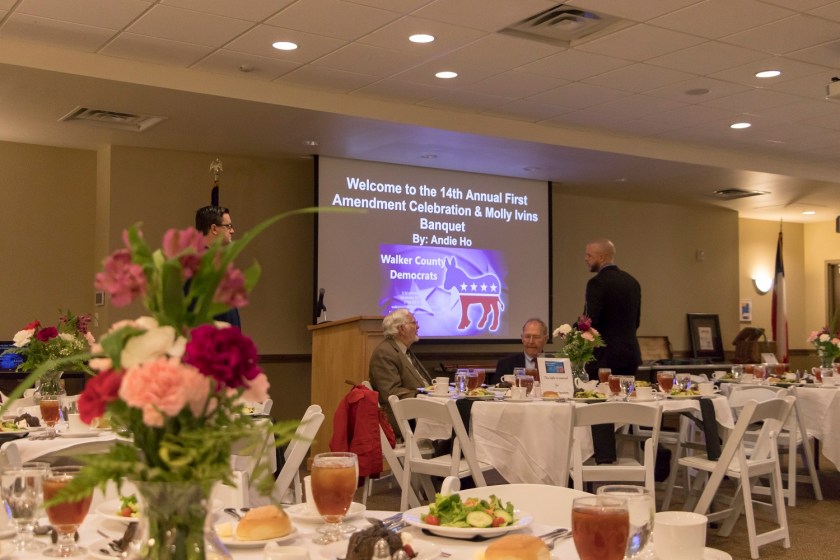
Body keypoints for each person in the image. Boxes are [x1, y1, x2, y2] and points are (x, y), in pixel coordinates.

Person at [583, 239, 641, 376]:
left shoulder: (596, 283)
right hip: (630, 357)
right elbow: (636, 321)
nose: (586, 259)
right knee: (625, 396)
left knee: (599, 396)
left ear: (601, 257)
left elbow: (591, 321)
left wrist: (571, 331)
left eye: (589, 255)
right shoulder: (632, 282)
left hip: (604, 359)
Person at [369, 309, 432, 431]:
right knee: (459, 420)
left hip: (418, 411)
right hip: (404, 418)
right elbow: (391, 392)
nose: (418, 326)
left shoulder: (402, 350)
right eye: (413, 323)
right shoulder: (385, 352)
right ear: (401, 329)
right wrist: (423, 395)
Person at [194, 205, 240, 328]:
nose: (232, 231)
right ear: (214, 228)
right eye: (228, 226)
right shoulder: (201, 264)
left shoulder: (215, 260)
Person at [489, 318, 548, 385]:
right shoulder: (506, 363)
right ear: (522, 338)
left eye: (536, 337)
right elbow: (497, 391)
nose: (531, 341)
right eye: (527, 336)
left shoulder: (556, 362)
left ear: (545, 339)